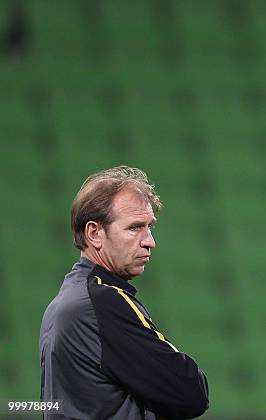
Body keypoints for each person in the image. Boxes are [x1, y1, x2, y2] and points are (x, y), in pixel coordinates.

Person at [39, 166, 209, 419]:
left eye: (149, 226)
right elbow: (190, 392)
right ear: (94, 233)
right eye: (135, 227)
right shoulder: (101, 302)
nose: (149, 241)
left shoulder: (67, 300)